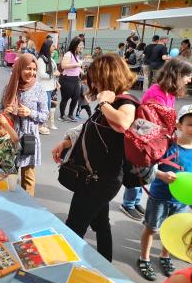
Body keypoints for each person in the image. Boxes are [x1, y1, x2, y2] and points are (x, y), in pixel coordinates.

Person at [52, 54, 138, 262]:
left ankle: (64, 267)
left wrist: (105, 104)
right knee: (101, 223)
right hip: (95, 178)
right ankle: (105, 264)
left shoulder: (125, 101)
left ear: (108, 77)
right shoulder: (110, 101)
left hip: (101, 181)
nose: (94, 85)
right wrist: (66, 142)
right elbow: (89, 127)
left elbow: (124, 122)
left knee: (73, 227)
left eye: (97, 80)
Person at [120, 58, 192, 221]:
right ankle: (128, 203)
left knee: (147, 171)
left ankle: (135, 201)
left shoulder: (168, 92)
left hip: (156, 139)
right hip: (147, 139)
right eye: (188, 76)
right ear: (177, 75)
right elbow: (155, 120)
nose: (189, 79)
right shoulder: (156, 92)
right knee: (142, 169)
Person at [137, 105, 192, 281]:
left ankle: (165, 256)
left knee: (173, 230)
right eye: (190, 124)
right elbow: (148, 166)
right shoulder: (166, 145)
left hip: (182, 201)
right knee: (151, 228)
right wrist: (161, 175)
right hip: (159, 196)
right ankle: (144, 258)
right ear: (178, 125)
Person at [0, 54, 49, 197]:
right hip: (10, 138)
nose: (32, 73)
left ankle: (27, 210)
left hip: (29, 139)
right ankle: (10, 206)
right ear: (19, 68)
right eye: (28, 68)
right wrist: (5, 111)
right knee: (9, 176)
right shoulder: (9, 87)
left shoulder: (39, 89)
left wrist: (29, 112)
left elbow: (44, 115)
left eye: (34, 70)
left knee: (28, 178)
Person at [59, 37, 84, 122]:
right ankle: (62, 115)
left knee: (76, 97)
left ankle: (70, 114)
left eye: (82, 45)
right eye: (80, 45)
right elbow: (64, 65)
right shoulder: (68, 54)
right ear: (75, 45)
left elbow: (75, 66)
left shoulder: (77, 55)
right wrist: (77, 64)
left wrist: (81, 70)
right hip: (67, 78)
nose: (82, 46)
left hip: (75, 79)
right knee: (65, 98)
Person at [37, 40, 59, 135]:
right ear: (47, 47)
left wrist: (56, 82)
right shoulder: (41, 59)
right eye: (52, 46)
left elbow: (54, 71)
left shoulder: (50, 58)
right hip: (44, 87)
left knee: (47, 107)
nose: (54, 48)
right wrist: (54, 75)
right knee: (44, 107)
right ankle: (40, 125)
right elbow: (41, 74)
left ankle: (42, 124)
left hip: (50, 87)